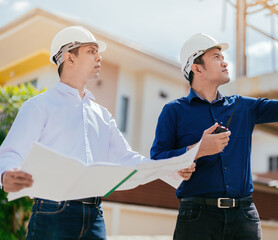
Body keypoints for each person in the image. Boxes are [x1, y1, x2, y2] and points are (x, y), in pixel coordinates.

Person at [0, 26, 195, 240]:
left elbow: (127, 159)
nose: (99, 57)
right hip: (52, 214)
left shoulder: (102, 115)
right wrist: (5, 175)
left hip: (94, 216)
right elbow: (10, 152)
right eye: (91, 51)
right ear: (69, 58)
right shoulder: (39, 106)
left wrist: (171, 168)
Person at [150, 31, 278, 240]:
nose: (225, 63)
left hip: (243, 217)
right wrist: (193, 151)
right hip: (197, 217)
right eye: (216, 57)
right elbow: (156, 160)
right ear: (196, 68)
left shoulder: (243, 107)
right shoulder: (174, 111)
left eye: (223, 57)